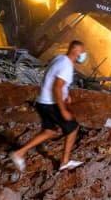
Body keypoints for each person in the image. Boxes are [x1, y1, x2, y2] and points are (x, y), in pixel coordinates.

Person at [10, 40, 87, 172]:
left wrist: (66, 94)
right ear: (76, 51)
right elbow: (57, 86)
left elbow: (51, 77)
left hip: (42, 100)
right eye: (82, 51)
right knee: (73, 128)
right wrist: (63, 110)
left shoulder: (60, 58)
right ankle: (65, 162)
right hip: (50, 103)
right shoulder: (67, 66)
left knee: (49, 131)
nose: (84, 54)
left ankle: (19, 153)